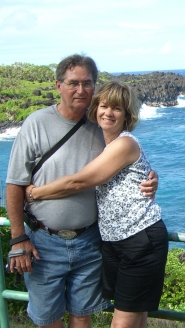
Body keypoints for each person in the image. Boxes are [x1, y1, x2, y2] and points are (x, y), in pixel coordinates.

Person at [5, 54, 158, 328]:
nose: (80, 90)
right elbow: (15, 184)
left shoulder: (101, 127)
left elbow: (121, 166)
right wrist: (18, 239)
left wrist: (150, 180)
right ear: (58, 85)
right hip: (43, 241)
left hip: (89, 241)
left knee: (81, 315)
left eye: (87, 84)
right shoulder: (36, 123)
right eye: (73, 83)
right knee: (47, 318)